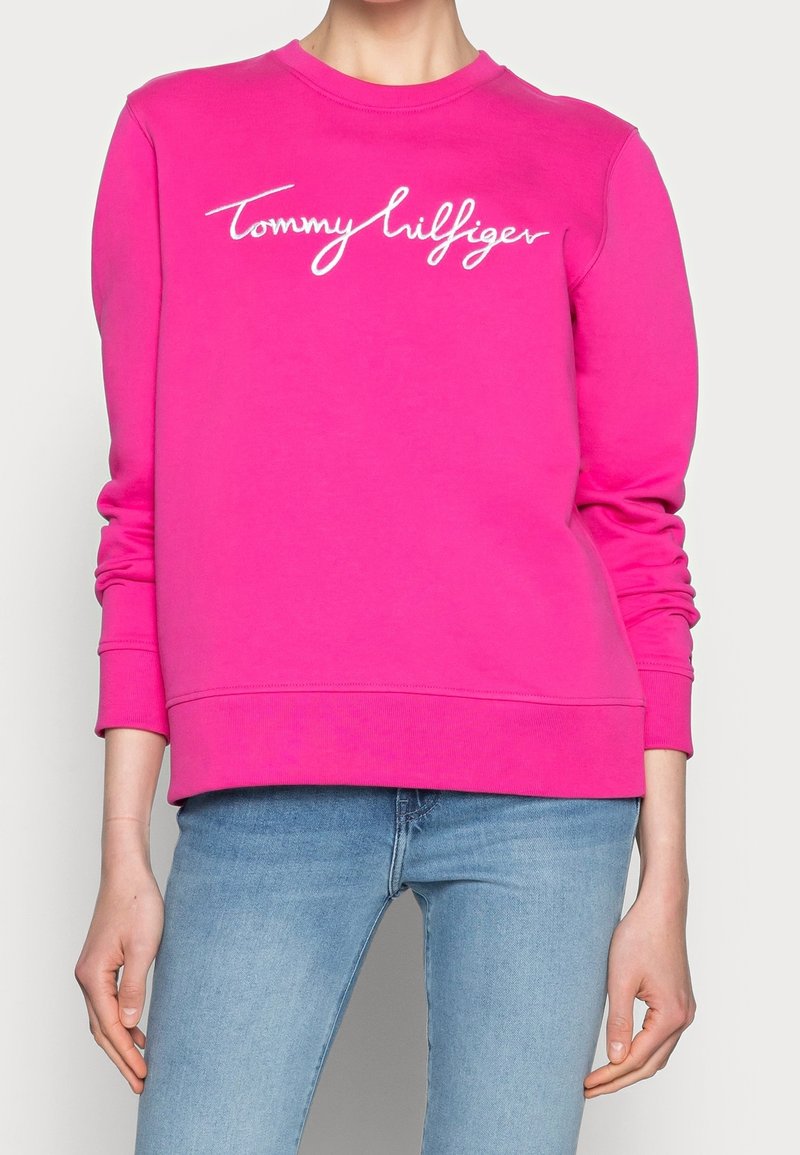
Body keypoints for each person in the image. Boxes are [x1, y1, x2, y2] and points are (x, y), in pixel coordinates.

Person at [74, 2, 701, 1152]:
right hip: (266, 783)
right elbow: (142, 509)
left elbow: (636, 529)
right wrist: (123, 849)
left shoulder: (590, 157)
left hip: (546, 796)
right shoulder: (175, 133)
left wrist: (663, 882)